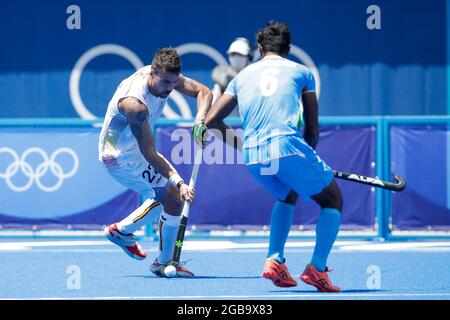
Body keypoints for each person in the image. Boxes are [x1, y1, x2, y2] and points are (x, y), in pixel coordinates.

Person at [205, 21, 343, 292]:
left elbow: (211, 120)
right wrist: (305, 161)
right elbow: (312, 129)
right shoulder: (303, 72)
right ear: (288, 49)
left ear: (259, 49)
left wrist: (241, 145)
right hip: (288, 148)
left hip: (253, 156)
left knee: (287, 195)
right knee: (333, 200)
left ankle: (274, 259)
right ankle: (317, 268)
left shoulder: (241, 76)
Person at [99, 48, 211, 278]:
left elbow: (204, 91)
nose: (170, 89)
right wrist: (179, 182)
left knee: (170, 196)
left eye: (174, 82)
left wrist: (199, 120)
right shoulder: (135, 106)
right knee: (173, 195)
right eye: (165, 82)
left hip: (134, 151)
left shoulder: (165, 79)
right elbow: (150, 153)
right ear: (152, 73)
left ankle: (121, 232)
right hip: (118, 156)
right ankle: (163, 262)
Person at [211, 37, 253, 112]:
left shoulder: (255, 74)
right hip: (229, 119)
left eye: (240, 55)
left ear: (248, 57)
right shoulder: (223, 74)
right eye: (233, 54)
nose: (236, 58)